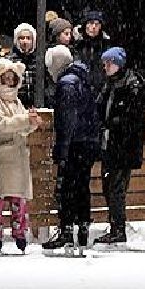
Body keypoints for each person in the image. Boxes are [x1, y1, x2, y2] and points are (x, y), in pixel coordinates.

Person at [43, 45, 102, 251]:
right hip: (87, 142)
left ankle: (67, 230)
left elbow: (67, 119)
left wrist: (62, 149)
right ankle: (83, 227)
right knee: (81, 186)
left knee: (68, 188)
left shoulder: (67, 83)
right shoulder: (82, 78)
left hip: (74, 143)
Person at [0, 58, 41, 254]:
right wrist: (25, 120)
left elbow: (22, 128)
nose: (8, 82)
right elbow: (1, 125)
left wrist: (32, 123)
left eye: (11, 78)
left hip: (17, 156)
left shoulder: (17, 101)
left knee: (19, 199)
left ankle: (20, 233)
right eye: (4, 78)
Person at [96, 46, 145, 245]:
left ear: (118, 64)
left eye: (109, 63)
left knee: (115, 188)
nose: (105, 67)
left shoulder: (132, 84)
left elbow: (131, 117)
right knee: (108, 187)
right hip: (111, 144)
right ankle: (116, 226)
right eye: (104, 63)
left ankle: (118, 229)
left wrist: (112, 123)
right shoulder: (112, 83)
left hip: (122, 146)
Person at [72, 11, 110, 92]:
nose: (93, 27)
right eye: (91, 23)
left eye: (97, 24)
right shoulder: (76, 44)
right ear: (85, 25)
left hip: (100, 88)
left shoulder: (105, 44)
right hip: (80, 87)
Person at [8, 23, 41, 107]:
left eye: (28, 38)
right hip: (16, 105)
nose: (25, 41)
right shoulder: (9, 61)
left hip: (36, 105)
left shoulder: (40, 60)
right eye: (21, 38)